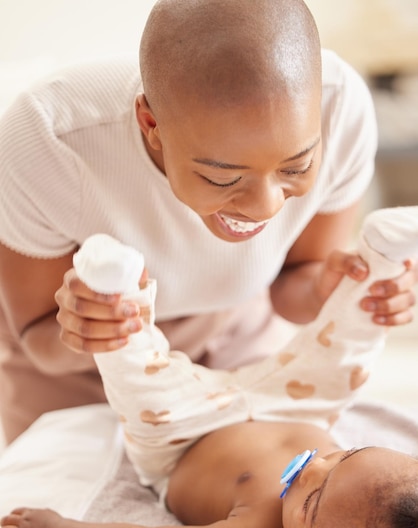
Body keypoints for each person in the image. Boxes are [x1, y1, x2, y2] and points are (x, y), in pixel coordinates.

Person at [0, 0, 417, 444]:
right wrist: (89, 329)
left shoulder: (342, 111)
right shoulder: (47, 142)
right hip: (84, 366)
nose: (265, 208)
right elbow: (36, 335)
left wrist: (332, 292)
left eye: (295, 168)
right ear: (150, 124)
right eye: (223, 177)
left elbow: (293, 281)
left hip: (236, 330)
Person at [1, 207, 418, 528]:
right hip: (294, 404)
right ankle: (382, 261)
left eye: (311, 502)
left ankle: (113, 292)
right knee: (345, 359)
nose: (314, 465)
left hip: (187, 429)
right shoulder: (372, 493)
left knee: (138, 378)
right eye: (347, 455)